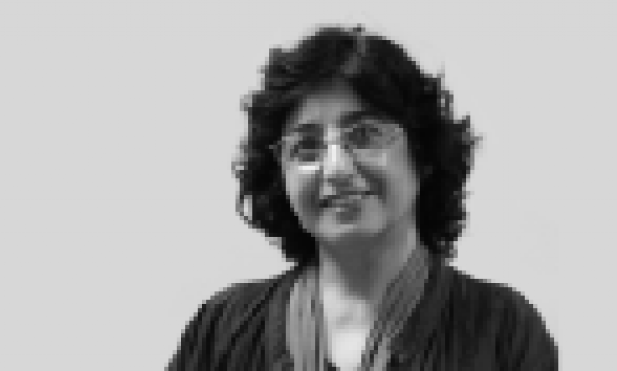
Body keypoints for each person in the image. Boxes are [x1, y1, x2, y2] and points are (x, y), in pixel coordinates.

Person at [168, 26, 557, 371]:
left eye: (365, 135)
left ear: (422, 155)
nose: (336, 168)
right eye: (306, 146)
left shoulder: (504, 331)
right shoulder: (223, 331)